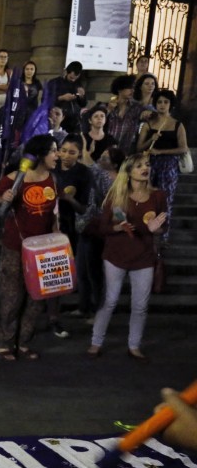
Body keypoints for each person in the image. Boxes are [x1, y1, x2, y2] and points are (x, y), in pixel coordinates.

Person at [0, 134, 60, 361]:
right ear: (40, 155)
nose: (57, 155)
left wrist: (57, 233)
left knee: (37, 298)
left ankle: (24, 341)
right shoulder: (18, 177)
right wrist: (2, 198)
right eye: (53, 151)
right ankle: (4, 341)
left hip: (43, 249)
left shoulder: (53, 180)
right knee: (11, 296)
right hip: (15, 246)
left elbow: (55, 212)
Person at [87, 153, 168, 361]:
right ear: (129, 171)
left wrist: (156, 230)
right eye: (139, 166)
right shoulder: (116, 195)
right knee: (110, 300)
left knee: (140, 305)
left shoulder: (158, 196)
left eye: (147, 165)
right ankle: (96, 342)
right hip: (116, 255)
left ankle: (134, 345)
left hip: (143, 257)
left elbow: (162, 226)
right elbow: (102, 227)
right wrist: (118, 227)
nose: (145, 168)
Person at [75, 143, 124, 323]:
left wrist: (85, 151)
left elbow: (91, 167)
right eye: (101, 156)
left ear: (116, 164)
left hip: (100, 228)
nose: (101, 159)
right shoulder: (103, 175)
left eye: (105, 157)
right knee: (83, 269)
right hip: (88, 225)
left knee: (95, 272)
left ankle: (99, 311)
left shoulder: (110, 178)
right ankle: (84, 306)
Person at [48, 135, 91, 339]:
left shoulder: (83, 173)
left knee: (57, 275)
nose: (65, 155)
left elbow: (83, 208)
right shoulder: (50, 166)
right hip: (43, 225)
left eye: (71, 152)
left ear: (80, 154)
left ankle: (54, 318)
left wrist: (68, 199)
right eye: (62, 150)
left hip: (67, 229)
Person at [137, 90, 188, 243]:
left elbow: (183, 148)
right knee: (145, 197)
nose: (162, 105)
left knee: (166, 200)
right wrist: (150, 140)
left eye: (166, 102)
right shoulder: (148, 124)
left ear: (170, 105)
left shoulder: (177, 124)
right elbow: (139, 147)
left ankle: (162, 235)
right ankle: (144, 230)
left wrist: (161, 151)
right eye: (159, 102)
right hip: (148, 165)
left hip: (169, 166)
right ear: (155, 104)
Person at [6, 61, 43, 148]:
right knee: (16, 137)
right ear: (23, 70)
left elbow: (39, 99)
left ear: (35, 71)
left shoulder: (37, 83)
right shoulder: (17, 82)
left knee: (28, 136)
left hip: (32, 112)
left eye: (31, 69)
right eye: (27, 69)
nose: (29, 71)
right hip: (18, 112)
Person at [105, 75, 146, 151]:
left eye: (133, 88)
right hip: (108, 150)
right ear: (119, 89)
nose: (132, 91)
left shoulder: (136, 108)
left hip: (128, 150)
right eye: (129, 88)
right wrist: (108, 110)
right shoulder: (107, 106)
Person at [46, 61, 86, 134]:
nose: (73, 80)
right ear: (67, 72)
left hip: (74, 121)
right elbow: (46, 100)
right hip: (59, 119)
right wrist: (62, 98)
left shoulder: (78, 84)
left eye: (75, 78)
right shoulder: (55, 83)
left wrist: (82, 96)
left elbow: (83, 104)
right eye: (71, 77)